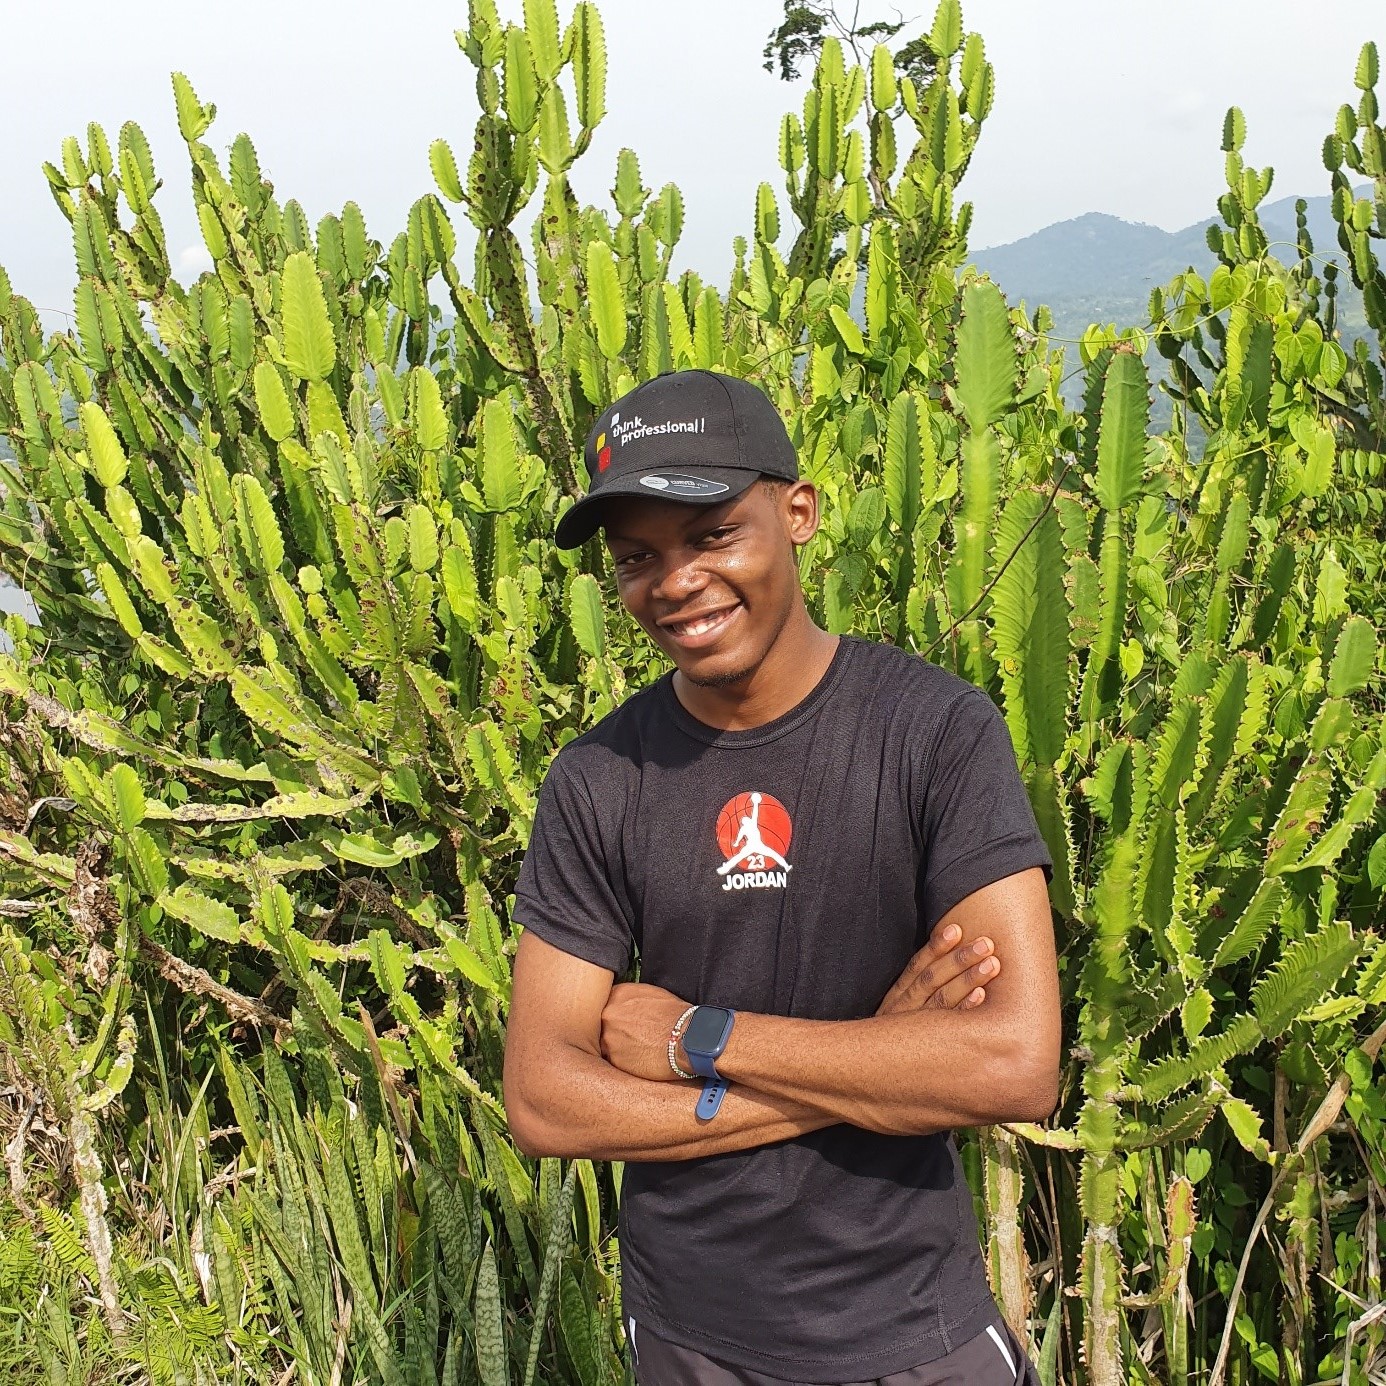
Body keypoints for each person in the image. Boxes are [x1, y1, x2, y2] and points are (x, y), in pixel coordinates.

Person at [503, 369, 1061, 1386]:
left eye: (713, 535)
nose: (673, 582)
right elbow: (545, 1101)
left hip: (917, 1332)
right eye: (638, 558)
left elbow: (1014, 1064)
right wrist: (883, 1059)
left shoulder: (936, 733)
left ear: (797, 512)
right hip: (690, 1342)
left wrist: (695, 1040)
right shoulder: (597, 781)